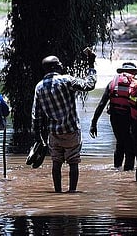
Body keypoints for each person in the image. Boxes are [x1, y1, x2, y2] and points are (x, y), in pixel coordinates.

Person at [32, 52, 96, 193]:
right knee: (73, 161)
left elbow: (36, 115)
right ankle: (72, 193)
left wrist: (38, 137)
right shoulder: (66, 80)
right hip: (71, 130)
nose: (62, 64)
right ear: (55, 66)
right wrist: (91, 65)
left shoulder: (39, 87)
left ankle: (57, 192)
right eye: (59, 63)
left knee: (56, 162)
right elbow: (89, 85)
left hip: (54, 132)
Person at [90, 62, 137, 171]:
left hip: (115, 117)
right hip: (130, 118)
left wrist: (94, 123)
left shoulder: (112, 83)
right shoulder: (136, 84)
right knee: (130, 147)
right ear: (133, 72)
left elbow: (101, 104)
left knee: (120, 142)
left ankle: (117, 169)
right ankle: (127, 174)